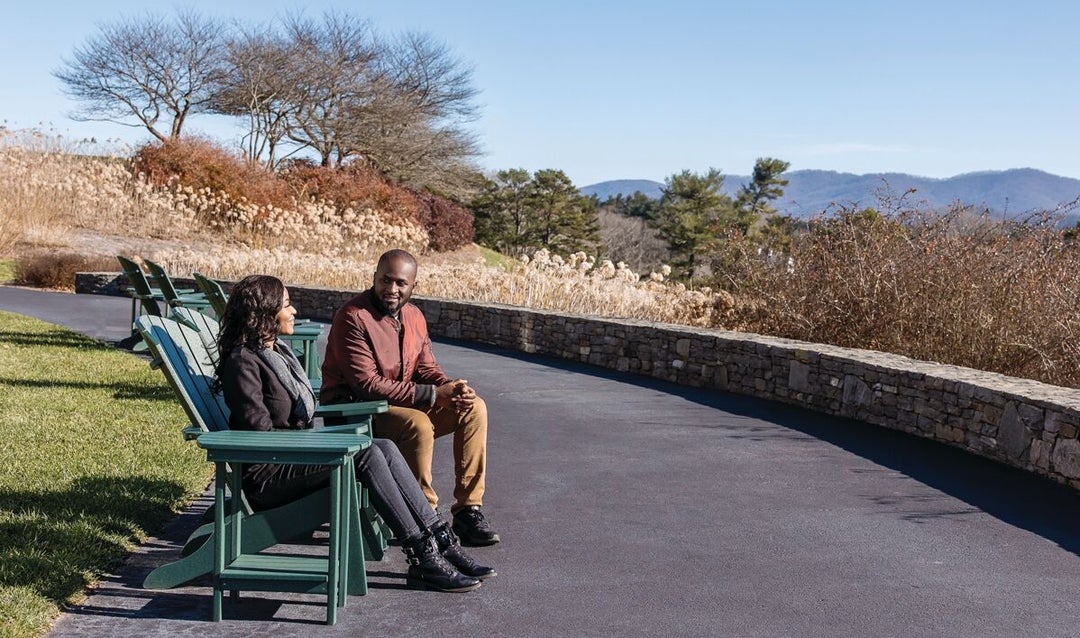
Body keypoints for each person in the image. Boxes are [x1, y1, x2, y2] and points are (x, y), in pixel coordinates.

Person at [214, 274, 495, 592]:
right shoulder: (243, 362)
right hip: (270, 475)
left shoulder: (275, 353)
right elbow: (259, 434)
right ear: (265, 313)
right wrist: (319, 444)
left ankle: (441, 541)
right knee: (365, 454)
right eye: (287, 305)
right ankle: (422, 554)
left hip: (289, 458)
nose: (293, 312)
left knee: (384, 446)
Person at [320, 249, 500, 546]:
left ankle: (468, 511)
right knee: (417, 422)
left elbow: (426, 367)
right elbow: (367, 384)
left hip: (399, 405)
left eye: (400, 283)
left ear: (413, 285)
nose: (391, 289)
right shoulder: (353, 318)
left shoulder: (414, 316)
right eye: (385, 280)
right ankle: (424, 516)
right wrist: (431, 395)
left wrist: (451, 388)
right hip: (356, 413)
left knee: (474, 408)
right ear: (374, 278)